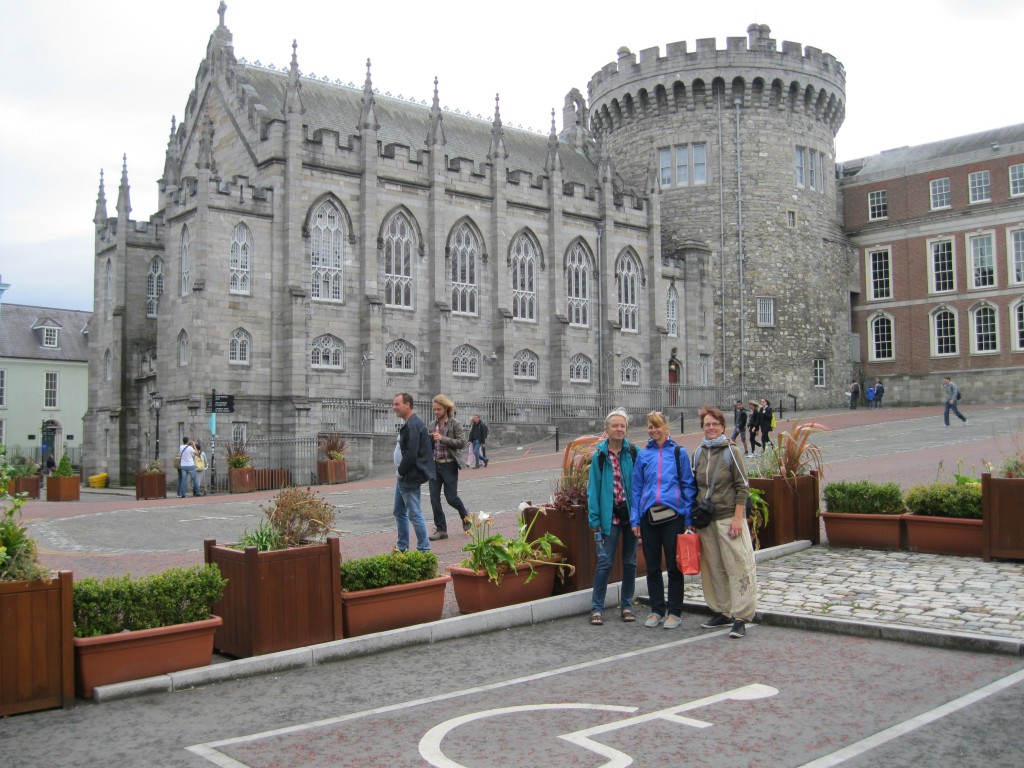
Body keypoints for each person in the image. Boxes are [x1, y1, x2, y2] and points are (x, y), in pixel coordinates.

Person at [693, 405, 756, 639]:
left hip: (729, 517)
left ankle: (741, 616)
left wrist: (738, 518)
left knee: (738, 565)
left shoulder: (732, 451)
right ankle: (723, 610)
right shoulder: (698, 452)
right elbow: (695, 485)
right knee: (714, 568)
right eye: (707, 424)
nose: (711, 428)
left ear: (723, 427)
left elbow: (742, 486)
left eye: (715, 424)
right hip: (707, 520)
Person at [631, 411, 697, 629]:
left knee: (673, 565)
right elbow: (637, 488)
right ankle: (657, 609)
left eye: (657, 426)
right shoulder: (643, 455)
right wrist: (635, 519)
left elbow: (687, 485)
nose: (654, 430)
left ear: (666, 428)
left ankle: (675, 611)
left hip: (673, 516)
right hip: (649, 516)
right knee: (652, 566)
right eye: (650, 426)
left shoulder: (678, 453)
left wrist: (688, 517)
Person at [587, 408, 639, 626]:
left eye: (622, 426)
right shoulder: (599, 456)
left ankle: (626, 604)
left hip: (630, 517)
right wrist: (595, 521)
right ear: (606, 429)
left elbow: (640, 486)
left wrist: (639, 516)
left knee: (630, 562)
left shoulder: (633, 453)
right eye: (615, 426)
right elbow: (593, 490)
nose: (619, 429)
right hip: (609, 518)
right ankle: (597, 607)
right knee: (605, 562)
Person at [392, 392, 435, 552]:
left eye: (397, 404)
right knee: (399, 511)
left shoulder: (413, 425)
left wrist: (401, 472)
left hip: (408, 476)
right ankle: (402, 547)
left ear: (407, 405)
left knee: (414, 513)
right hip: (403, 477)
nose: (394, 407)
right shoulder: (411, 423)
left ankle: (424, 550)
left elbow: (411, 454)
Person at [428, 394, 472, 540]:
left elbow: (461, 442)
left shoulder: (455, 424)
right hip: (434, 465)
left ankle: (465, 515)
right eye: (434, 409)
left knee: (451, 498)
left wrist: (443, 439)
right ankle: (441, 529)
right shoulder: (431, 424)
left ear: (446, 408)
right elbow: (429, 445)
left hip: (449, 465)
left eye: (438, 409)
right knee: (434, 499)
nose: (436, 412)